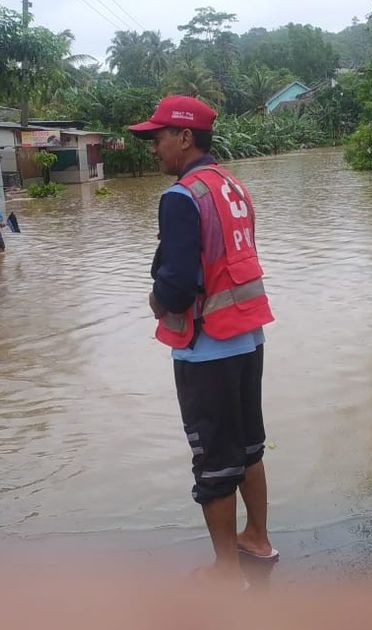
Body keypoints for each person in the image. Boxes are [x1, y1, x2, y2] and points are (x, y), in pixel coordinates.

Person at [129, 96, 278, 581]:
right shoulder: (232, 184)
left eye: (158, 137)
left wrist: (156, 301)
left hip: (207, 347)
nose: (154, 148)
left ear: (185, 137)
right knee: (249, 445)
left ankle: (226, 571)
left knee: (214, 460)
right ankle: (257, 538)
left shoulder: (181, 196)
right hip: (248, 339)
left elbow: (174, 287)